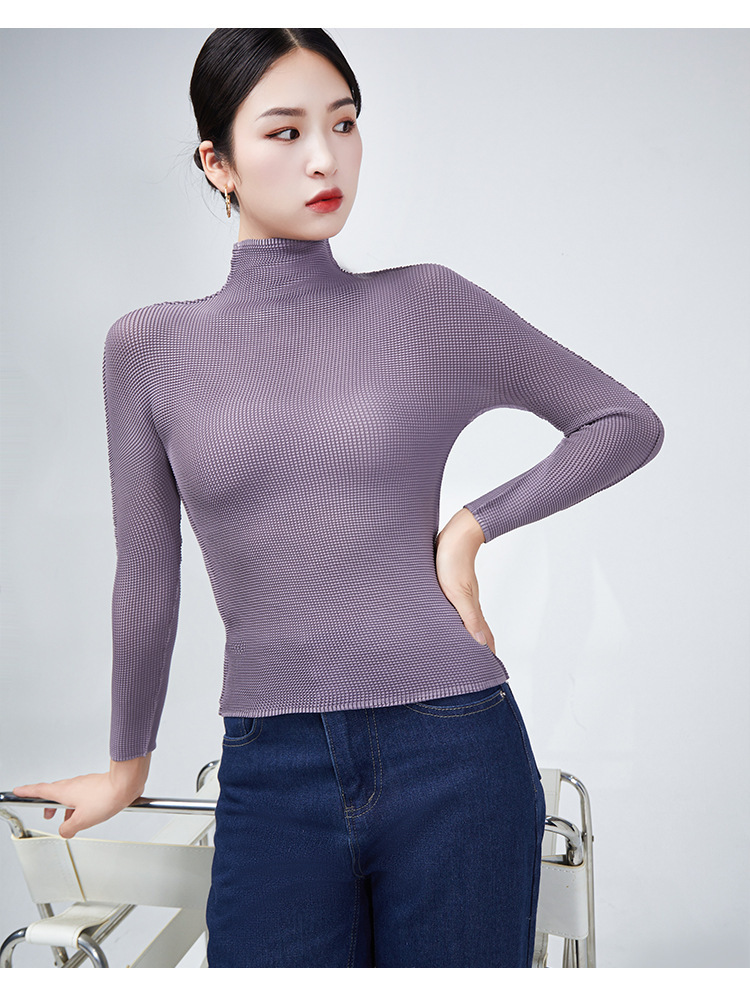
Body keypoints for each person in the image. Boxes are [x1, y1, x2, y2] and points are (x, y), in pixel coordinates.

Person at [13, 28, 665, 968]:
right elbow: (147, 578)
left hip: (456, 751)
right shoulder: (149, 349)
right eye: (285, 132)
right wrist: (127, 768)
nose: (325, 158)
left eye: (344, 124)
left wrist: (470, 529)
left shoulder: (427, 306)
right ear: (218, 163)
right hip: (270, 772)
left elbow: (623, 422)